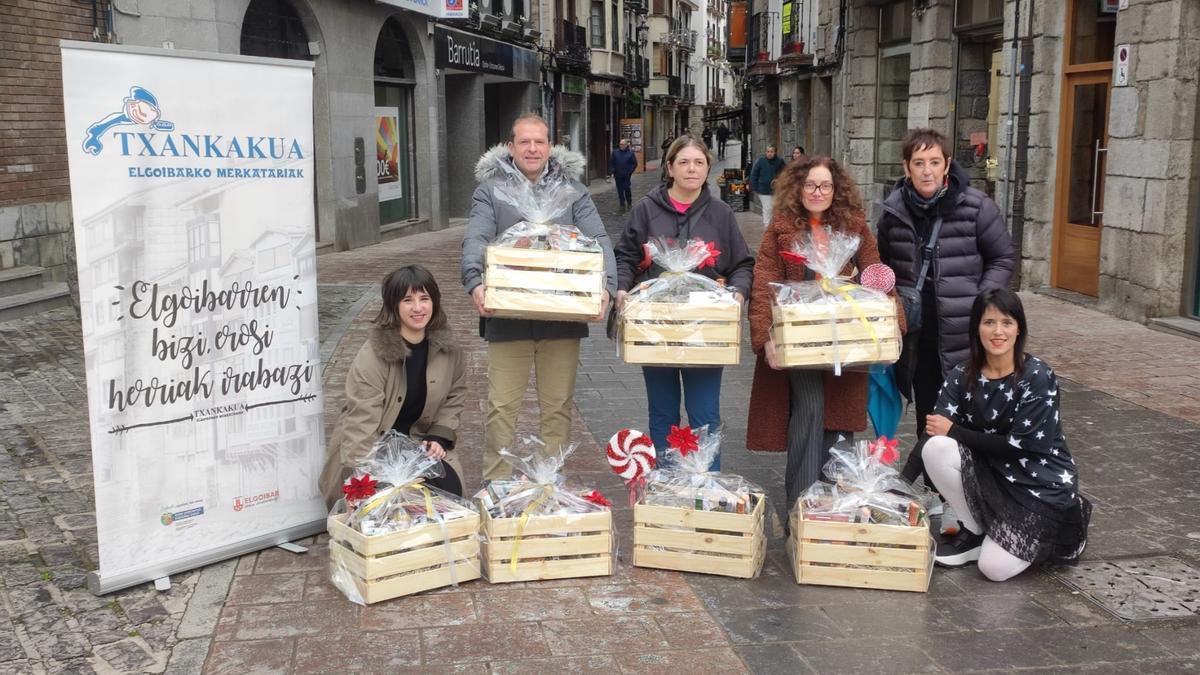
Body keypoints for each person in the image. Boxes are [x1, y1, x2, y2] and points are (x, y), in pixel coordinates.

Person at [461, 113, 618, 481]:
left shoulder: (573, 191)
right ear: (511, 147)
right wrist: (475, 281)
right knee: (502, 407)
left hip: (562, 316)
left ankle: (550, 483)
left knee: (558, 407)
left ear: (550, 146)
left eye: (539, 142)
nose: (532, 149)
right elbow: (476, 237)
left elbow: (599, 239)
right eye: (524, 142)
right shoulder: (491, 191)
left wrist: (606, 287)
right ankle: (496, 484)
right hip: (507, 315)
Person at [747, 156, 899, 510]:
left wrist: (893, 324)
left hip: (846, 339)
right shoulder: (781, 228)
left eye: (825, 185)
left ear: (836, 189)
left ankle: (831, 504)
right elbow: (763, 282)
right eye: (811, 185)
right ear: (798, 188)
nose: (818, 192)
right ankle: (800, 504)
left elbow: (876, 274)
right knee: (810, 406)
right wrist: (765, 337)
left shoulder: (854, 227)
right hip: (799, 340)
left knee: (838, 423)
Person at [875, 128, 1015, 482]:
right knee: (929, 413)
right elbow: (883, 266)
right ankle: (935, 491)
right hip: (918, 336)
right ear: (906, 167)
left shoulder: (976, 206)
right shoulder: (894, 211)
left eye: (934, 162)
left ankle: (968, 489)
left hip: (964, 333)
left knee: (966, 415)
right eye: (919, 163)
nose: (927, 171)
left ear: (947, 165)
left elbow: (1002, 258)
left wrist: (981, 304)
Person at [923, 288, 1091, 580]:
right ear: (977, 328)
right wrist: (895, 489)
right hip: (994, 474)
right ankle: (975, 531)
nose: (998, 331)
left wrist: (955, 430)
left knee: (994, 569)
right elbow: (937, 430)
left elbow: (1019, 446)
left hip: (1038, 484)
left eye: (1007, 322)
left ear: (1018, 329)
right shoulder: (962, 374)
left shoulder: (1037, 376)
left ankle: (1065, 526)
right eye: (989, 322)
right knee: (936, 447)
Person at [615, 136, 754, 469]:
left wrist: (739, 291)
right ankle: (667, 481)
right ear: (670, 167)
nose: (692, 169)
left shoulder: (720, 213)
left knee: (704, 413)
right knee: (662, 411)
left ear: (707, 168)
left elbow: (742, 263)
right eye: (684, 162)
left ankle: (705, 482)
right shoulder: (646, 209)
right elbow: (626, 256)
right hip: (656, 324)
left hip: (706, 326)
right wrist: (620, 288)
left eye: (699, 163)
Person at [320, 265, 468, 505]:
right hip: (374, 445)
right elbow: (361, 418)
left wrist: (439, 436)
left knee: (449, 496)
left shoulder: (449, 350)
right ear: (393, 305)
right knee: (385, 503)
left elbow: (455, 395)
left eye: (424, 298)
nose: (418, 308)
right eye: (408, 300)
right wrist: (360, 475)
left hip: (419, 441)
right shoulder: (373, 355)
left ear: (434, 301)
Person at [748, 145, 786, 228]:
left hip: (776, 190)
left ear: (775, 152)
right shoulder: (761, 161)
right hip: (763, 191)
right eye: (768, 151)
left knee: (776, 209)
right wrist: (755, 188)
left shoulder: (780, 161)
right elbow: (754, 175)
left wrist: (779, 180)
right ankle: (767, 227)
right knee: (767, 209)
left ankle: (774, 227)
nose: (769, 153)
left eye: (771, 152)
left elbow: (785, 173)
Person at [609, 138, 638, 213]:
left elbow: (634, 164)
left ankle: (629, 202)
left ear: (626, 145)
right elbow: (611, 162)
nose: (620, 145)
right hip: (618, 175)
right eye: (620, 144)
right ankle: (622, 204)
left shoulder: (630, 153)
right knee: (620, 190)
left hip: (626, 175)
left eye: (622, 144)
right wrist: (612, 170)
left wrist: (630, 172)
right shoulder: (615, 152)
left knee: (627, 188)